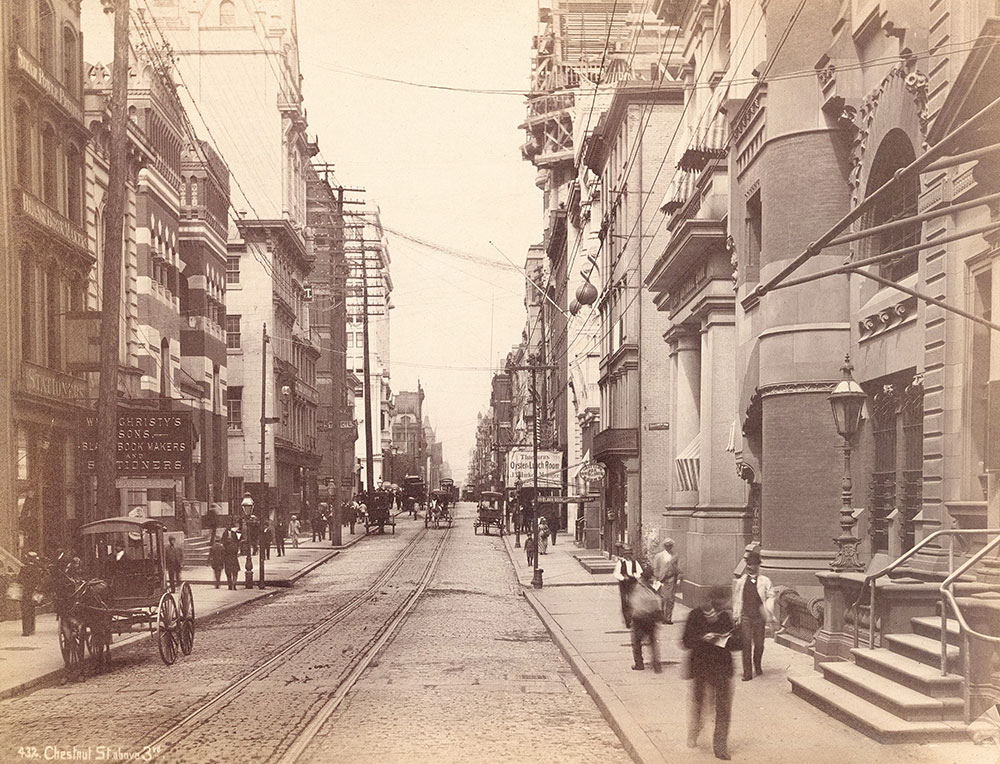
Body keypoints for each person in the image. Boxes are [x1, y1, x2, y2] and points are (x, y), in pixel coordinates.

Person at [682, 585, 740, 760]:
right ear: (712, 600)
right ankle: (694, 731)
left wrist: (729, 639)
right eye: (720, 602)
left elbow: (738, 645)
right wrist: (703, 639)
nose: (723, 606)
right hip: (701, 667)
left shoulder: (726, 618)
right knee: (699, 703)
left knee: (723, 708)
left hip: (722, 668)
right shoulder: (695, 615)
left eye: (725, 602)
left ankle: (720, 746)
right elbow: (685, 642)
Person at [732, 549, 776, 681]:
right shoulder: (741, 582)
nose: (750, 567)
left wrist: (768, 610)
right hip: (745, 617)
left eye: (753, 565)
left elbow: (771, 596)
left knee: (759, 644)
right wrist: (736, 616)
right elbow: (736, 599)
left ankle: (757, 664)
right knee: (746, 644)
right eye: (748, 565)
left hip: (759, 618)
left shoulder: (765, 581)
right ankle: (747, 673)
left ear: (758, 566)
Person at [629, 567, 662, 671]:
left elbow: (634, 601)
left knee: (636, 642)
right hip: (651, 617)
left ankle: (639, 664)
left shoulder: (639, 586)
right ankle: (656, 664)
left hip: (639, 617)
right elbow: (658, 599)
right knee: (652, 642)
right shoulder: (653, 586)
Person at [652, 538, 683, 624]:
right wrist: (656, 578)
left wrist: (679, 578)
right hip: (661, 580)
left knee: (670, 599)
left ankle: (668, 618)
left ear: (672, 546)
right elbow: (655, 568)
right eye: (666, 546)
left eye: (670, 546)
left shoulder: (675, 556)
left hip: (671, 580)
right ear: (664, 546)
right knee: (662, 599)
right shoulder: (658, 556)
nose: (668, 547)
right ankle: (662, 617)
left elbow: (679, 568)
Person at [17, 552, 44, 637]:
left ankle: (26, 631)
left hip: (26, 592)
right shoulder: (37, 569)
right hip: (34, 592)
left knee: (25, 611)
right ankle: (32, 628)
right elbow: (40, 581)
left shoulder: (24, 568)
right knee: (32, 610)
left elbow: (19, 579)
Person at [613, 555, 643, 628]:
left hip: (632, 583)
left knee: (633, 601)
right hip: (624, 584)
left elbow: (640, 572)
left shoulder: (635, 562)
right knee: (625, 601)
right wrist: (623, 578)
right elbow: (616, 573)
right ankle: (627, 620)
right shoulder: (621, 563)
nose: (628, 555)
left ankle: (632, 619)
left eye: (629, 553)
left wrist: (634, 575)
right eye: (626, 553)